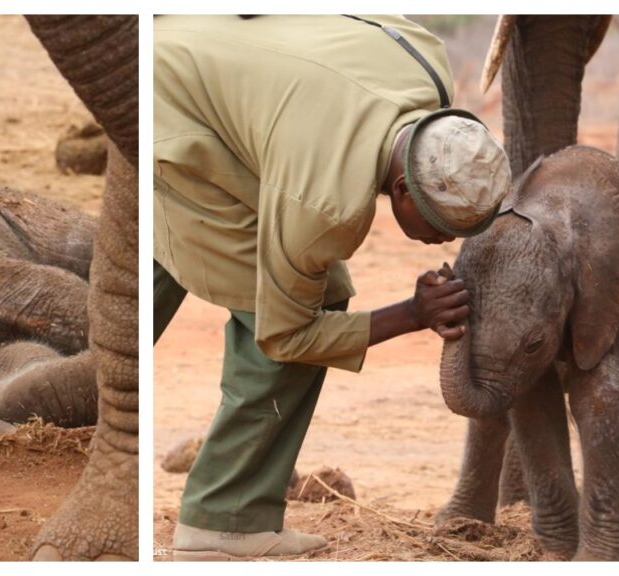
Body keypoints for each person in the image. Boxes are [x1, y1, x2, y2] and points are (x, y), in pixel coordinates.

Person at [153, 15, 512, 561]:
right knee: (303, 305)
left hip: (195, 35)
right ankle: (221, 524)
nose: (440, 241)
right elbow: (285, 335)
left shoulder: (428, 69)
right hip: (166, 107)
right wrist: (412, 313)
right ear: (401, 189)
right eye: (441, 225)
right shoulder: (325, 209)